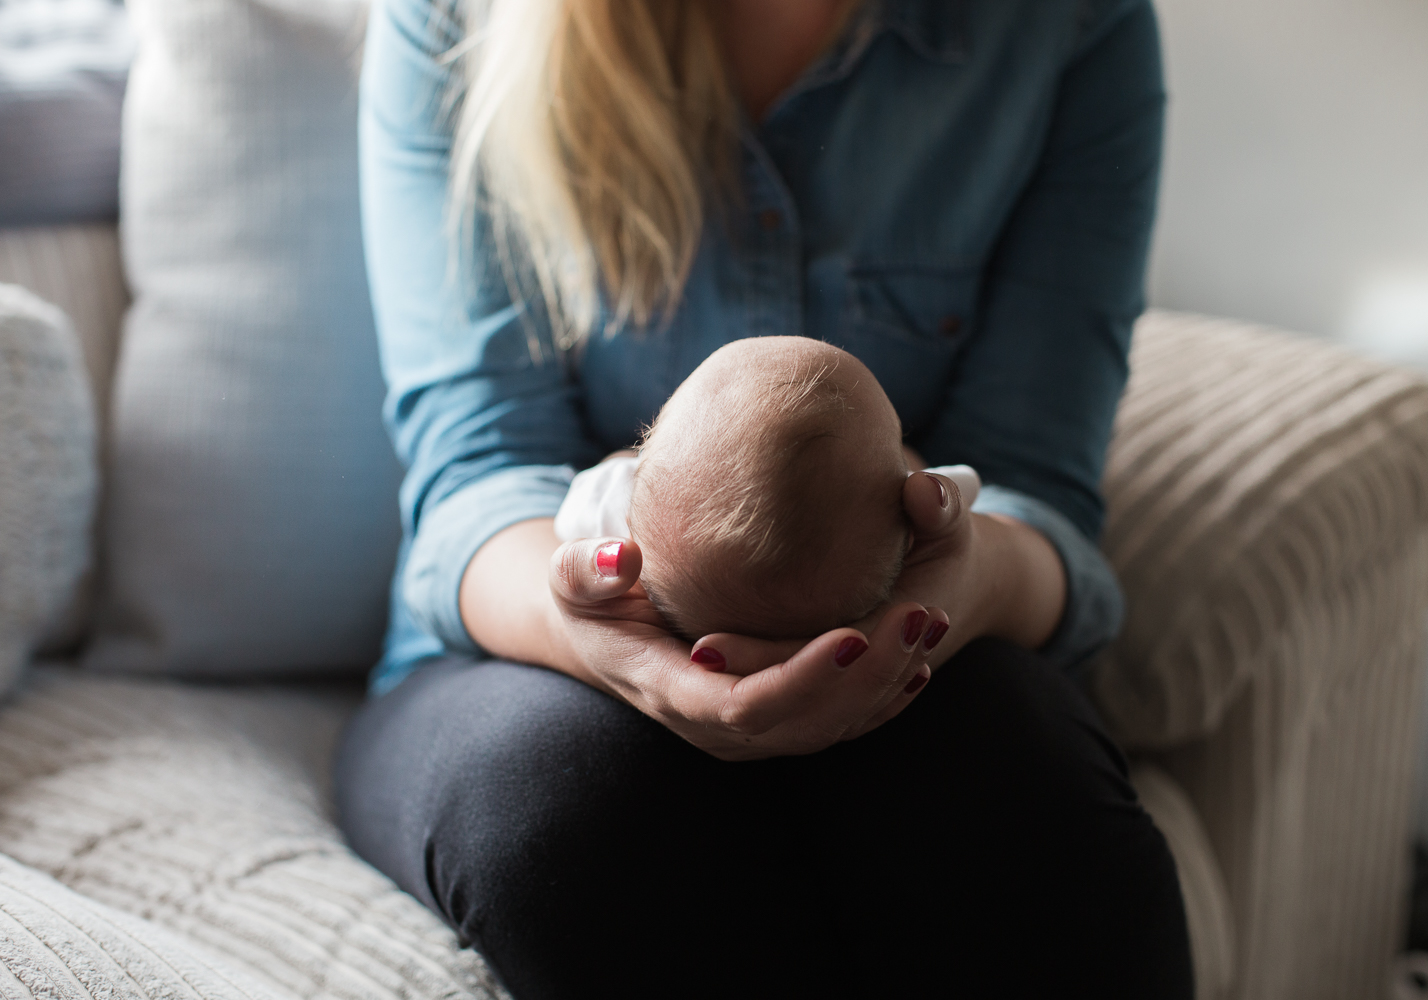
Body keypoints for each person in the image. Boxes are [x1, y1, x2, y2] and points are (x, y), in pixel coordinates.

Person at [336, 0, 1193, 997]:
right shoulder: (459, 18)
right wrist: (613, 642)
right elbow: (477, 474)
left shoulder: (1068, 23)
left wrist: (944, 590)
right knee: (569, 817)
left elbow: (1036, 487)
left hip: (919, 652)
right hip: (519, 650)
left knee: (1029, 813)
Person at [558, 336, 981, 645]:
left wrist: (620, 463)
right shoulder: (907, 529)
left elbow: (572, 509)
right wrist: (912, 465)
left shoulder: (615, 503)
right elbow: (964, 486)